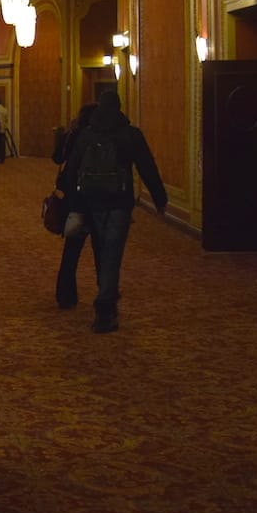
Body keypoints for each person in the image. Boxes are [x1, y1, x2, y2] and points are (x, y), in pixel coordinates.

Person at [59, 90, 167, 333]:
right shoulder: (130, 134)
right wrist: (160, 198)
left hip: (92, 202)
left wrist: (75, 205)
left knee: (102, 248)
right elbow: (147, 167)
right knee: (112, 253)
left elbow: (71, 171)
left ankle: (105, 301)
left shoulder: (87, 135)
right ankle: (105, 306)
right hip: (120, 201)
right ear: (119, 107)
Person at [53, 102, 97, 310]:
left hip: (75, 199)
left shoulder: (74, 135)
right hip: (97, 200)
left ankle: (65, 295)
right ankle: (105, 293)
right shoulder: (99, 137)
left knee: (71, 249)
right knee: (102, 250)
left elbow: (57, 159)